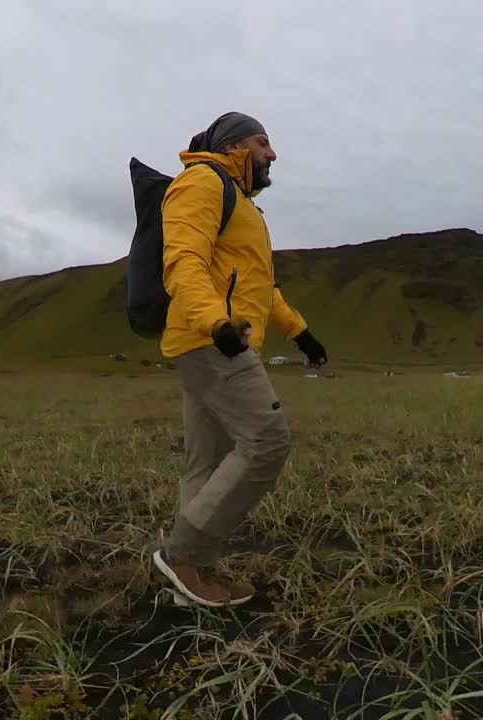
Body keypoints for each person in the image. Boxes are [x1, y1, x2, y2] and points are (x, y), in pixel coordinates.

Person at [150, 111, 328, 607]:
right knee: (268, 441)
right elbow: (182, 259)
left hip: (213, 338)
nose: (273, 154)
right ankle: (183, 555)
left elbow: (261, 289)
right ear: (235, 146)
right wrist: (216, 324)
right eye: (262, 142)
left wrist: (301, 333)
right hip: (213, 341)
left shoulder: (245, 207)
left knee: (205, 461)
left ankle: (193, 579)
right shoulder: (203, 182)